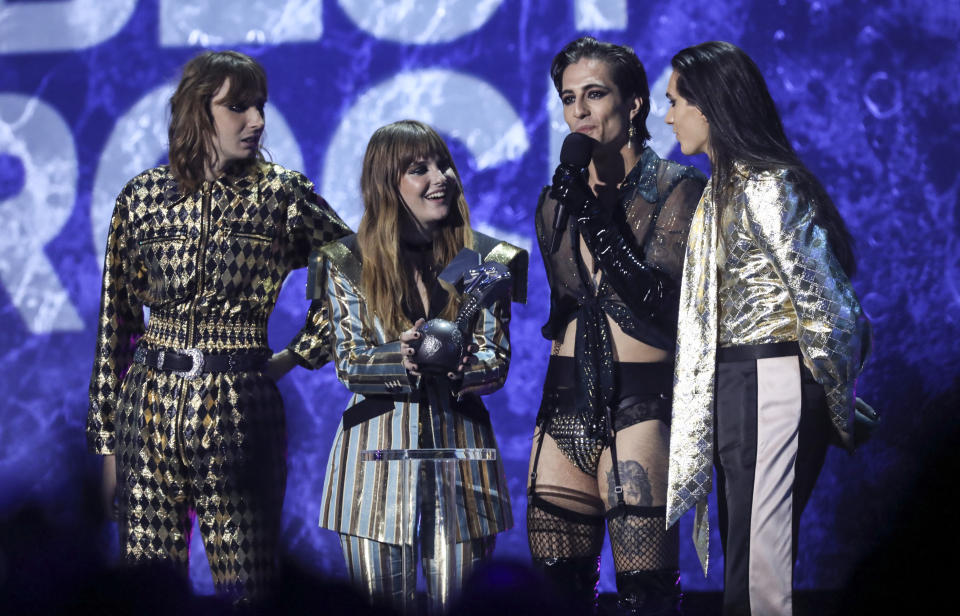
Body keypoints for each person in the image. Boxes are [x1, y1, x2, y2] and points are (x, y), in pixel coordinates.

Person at [86, 50, 350, 601]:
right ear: (197, 112)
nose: (256, 121)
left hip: (240, 405)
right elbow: (116, 326)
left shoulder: (281, 193)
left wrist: (299, 353)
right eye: (238, 107)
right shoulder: (140, 200)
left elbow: (356, 268)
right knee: (147, 594)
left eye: (260, 107)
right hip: (147, 405)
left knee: (249, 588)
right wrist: (107, 445)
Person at [663, 41, 871, 616]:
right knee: (746, 559)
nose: (667, 114)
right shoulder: (722, 191)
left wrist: (834, 394)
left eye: (675, 100)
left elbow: (826, 304)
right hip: (738, 383)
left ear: (709, 105)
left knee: (759, 572)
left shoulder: (766, 185)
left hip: (769, 379)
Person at [295, 120, 527, 611]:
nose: (439, 177)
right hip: (373, 461)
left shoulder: (483, 258)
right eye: (419, 169)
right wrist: (400, 358)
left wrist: (457, 363)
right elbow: (351, 360)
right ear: (387, 184)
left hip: (462, 456)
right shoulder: (348, 261)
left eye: (443, 164)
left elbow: (497, 359)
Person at [528, 36, 706, 614]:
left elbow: (658, 305)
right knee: (556, 595)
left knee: (646, 599)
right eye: (567, 98)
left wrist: (589, 210)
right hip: (563, 404)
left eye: (594, 94)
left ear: (633, 105)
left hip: (642, 404)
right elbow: (565, 309)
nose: (578, 111)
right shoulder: (553, 203)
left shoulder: (679, 189)